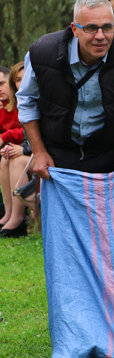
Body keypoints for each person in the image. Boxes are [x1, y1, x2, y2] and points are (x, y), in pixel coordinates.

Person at [17, 0, 114, 177]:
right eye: (91, 28)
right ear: (74, 29)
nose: (101, 36)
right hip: (56, 154)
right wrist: (38, 152)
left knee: (105, 208)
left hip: (106, 154)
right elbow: (26, 100)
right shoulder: (42, 54)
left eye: (107, 27)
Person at [0, 62, 31, 237]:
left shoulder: (34, 102)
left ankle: (18, 218)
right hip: (26, 151)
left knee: (15, 159)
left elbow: (39, 135)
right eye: (18, 79)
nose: (22, 83)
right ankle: (9, 214)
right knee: (6, 157)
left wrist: (23, 149)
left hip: (41, 155)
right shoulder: (9, 106)